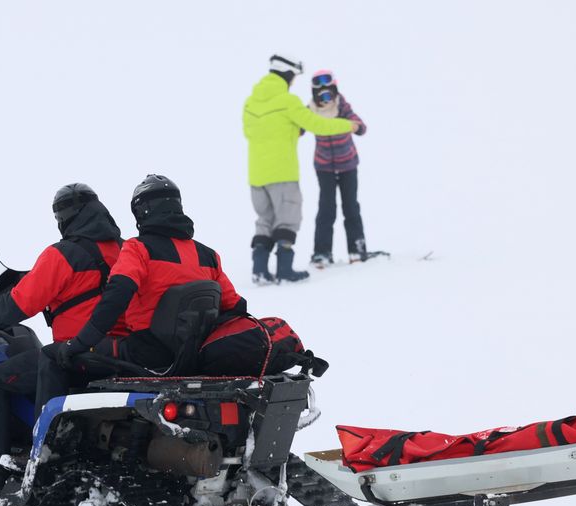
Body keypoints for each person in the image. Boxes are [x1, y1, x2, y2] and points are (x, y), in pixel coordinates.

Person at [0, 183, 127, 492]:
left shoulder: (64, 254)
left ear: (65, 216)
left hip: (74, 352)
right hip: (121, 351)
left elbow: (19, 304)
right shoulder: (125, 250)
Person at [43, 174, 247, 399]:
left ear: (142, 211)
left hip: (146, 354)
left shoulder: (138, 248)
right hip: (193, 355)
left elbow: (116, 295)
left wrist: (79, 343)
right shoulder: (208, 256)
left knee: (52, 356)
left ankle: (41, 432)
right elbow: (237, 306)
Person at [243, 53, 358, 283]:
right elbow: (317, 124)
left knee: (264, 220)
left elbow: (250, 132)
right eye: (294, 76)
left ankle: (259, 270)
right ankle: (285, 270)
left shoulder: (250, 103)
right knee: (287, 220)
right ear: (287, 74)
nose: (294, 81)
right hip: (282, 174)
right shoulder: (288, 102)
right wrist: (349, 125)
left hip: (256, 175)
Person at [308, 70, 368, 267]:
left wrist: (355, 126)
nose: (325, 100)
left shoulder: (342, 107)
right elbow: (298, 126)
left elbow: (361, 126)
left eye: (329, 95)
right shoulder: (310, 111)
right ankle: (322, 253)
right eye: (321, 96)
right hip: (324, 166)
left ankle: (356, 250)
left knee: (350, 206)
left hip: (347, 165)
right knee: (327, 208)